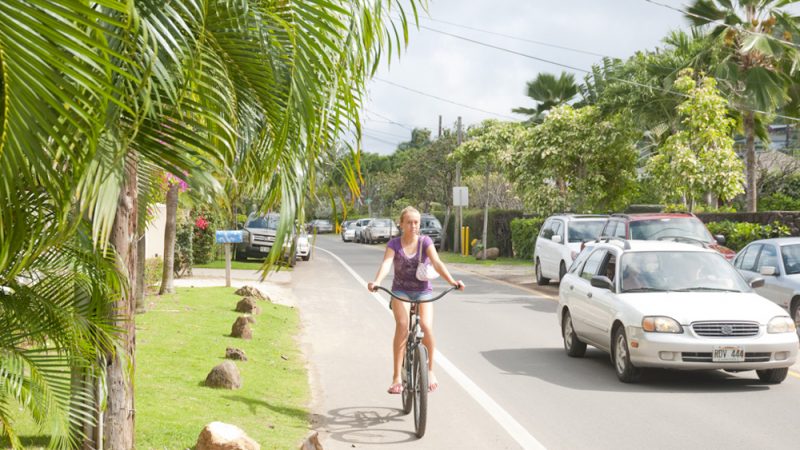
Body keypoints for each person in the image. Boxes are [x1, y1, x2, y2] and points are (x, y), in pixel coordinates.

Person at [367, 206, 464, 395]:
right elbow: (387, 264)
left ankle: (430, 371)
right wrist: (377, 282)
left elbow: (436, 262)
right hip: (400, 291)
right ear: (401, 224)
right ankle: (396, 377)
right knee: (403, 325)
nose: (413, 226)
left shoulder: (425, 242)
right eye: (409, 222)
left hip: (422, 291)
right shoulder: (394, 244)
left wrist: (452, 281)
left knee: (426, 326)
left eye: (416, 222)